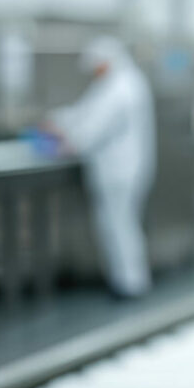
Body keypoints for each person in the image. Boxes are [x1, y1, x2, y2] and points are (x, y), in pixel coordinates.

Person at [48, 36, 156, 298]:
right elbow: (85, 111)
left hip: (119, 170)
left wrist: (69, 140)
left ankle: (129, 285)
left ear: (105, 63)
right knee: (123, 224)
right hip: (125, 168)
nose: (94, 72)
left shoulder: (121, 88)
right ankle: (131, 281)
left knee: (118, 226)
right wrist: (59, 120)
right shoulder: (119, 83)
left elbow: (94, 126)